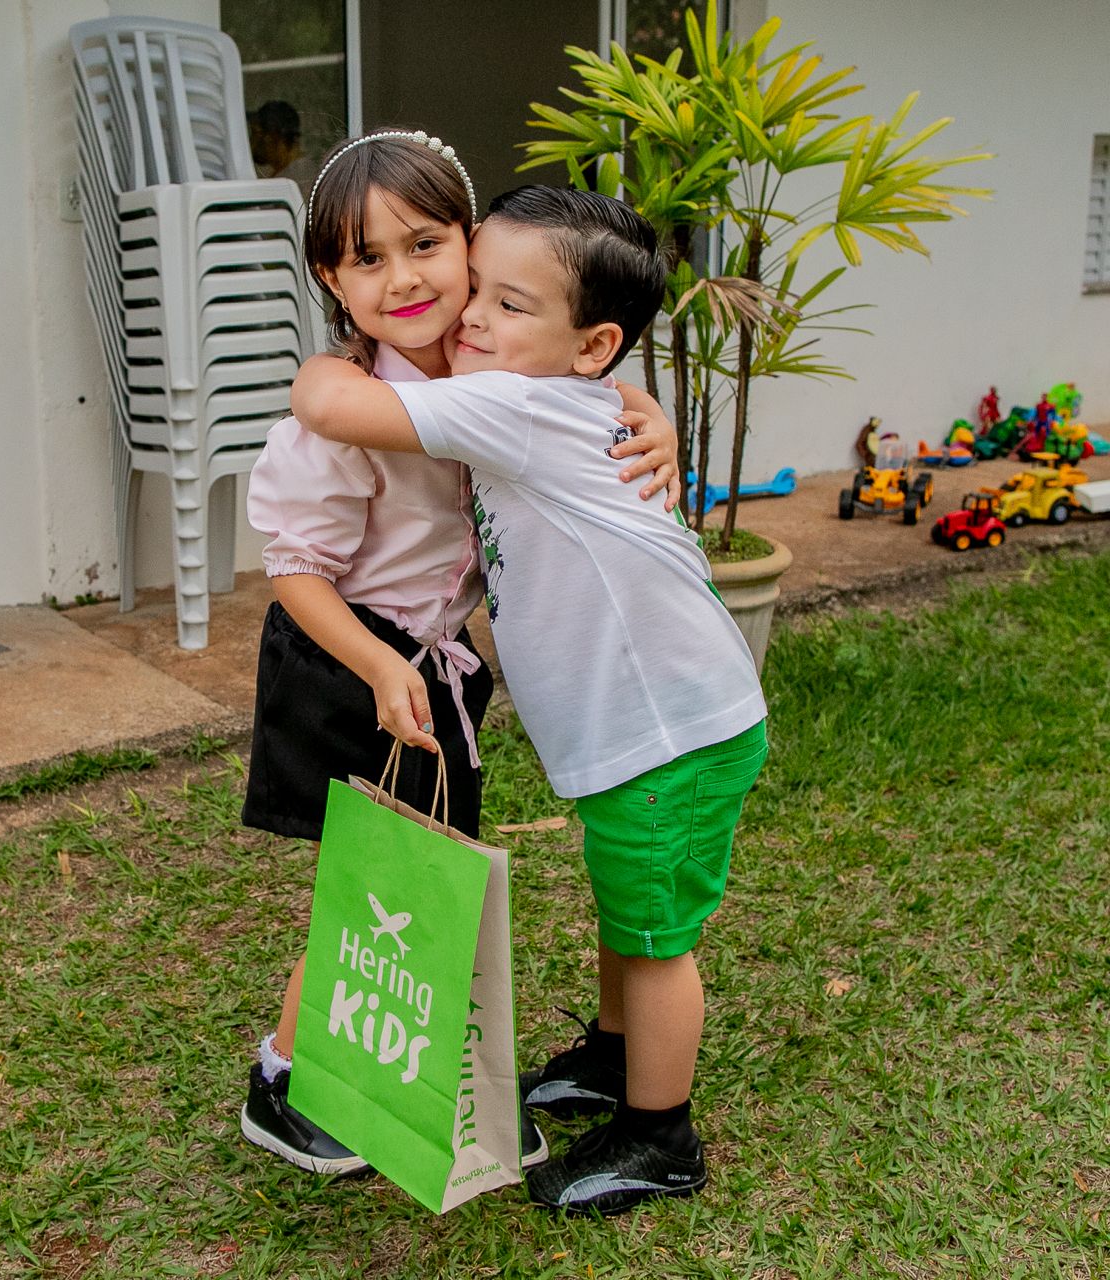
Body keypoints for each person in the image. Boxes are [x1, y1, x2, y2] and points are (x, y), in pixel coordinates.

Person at [291, 183, 769, 1216]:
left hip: (666, 729)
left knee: (654, 936)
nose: (470, 316)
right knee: (627, 902)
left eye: (509, 304)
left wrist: (332, 352)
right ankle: (612, 1053)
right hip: (653, 721)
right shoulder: (560, 388)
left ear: (591, 344)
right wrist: (636, 397)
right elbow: (580, 381)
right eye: (480, 287)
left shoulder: (512, 402)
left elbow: (333, 408)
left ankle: (660, 1135)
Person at [238, 133, 682, 1181]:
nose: (405, 278)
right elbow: (294, 569)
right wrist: (380, 666)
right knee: (374, 883)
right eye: (367, 259)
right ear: (330, 282)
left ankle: (384, 1071)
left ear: (471, 244)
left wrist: (645, 407)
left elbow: (581, 384)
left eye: (426, 244)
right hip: (349, 655)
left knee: (429, 877)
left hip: (434, 660)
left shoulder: (489, 363)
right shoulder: (347, 410)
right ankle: (287, 1080)